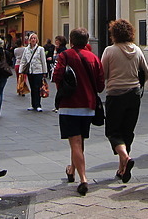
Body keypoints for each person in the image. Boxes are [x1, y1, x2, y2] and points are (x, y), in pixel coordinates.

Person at [52, 27, 105, 196]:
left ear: (71, 41)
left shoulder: (64, 56)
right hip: (88, 106)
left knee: (75, 142)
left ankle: (83, 179)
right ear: (87, 41)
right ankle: (71, 170)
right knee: (79, 141)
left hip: (69, 105)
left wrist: (63, 90)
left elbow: (57, 76)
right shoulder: (94, 58)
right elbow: (100, 85)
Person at [102, 19, 148, 183]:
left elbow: (103, 74)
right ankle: (122, 169)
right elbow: (147, 73)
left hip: (115, 95)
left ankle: (125, 158)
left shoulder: (110, 51)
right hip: (134, 95)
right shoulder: (137, 50)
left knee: (113, 132)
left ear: (114, 34)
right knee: (127, 132)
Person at [19, 33, 49, 111]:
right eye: (32, 38)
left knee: (38, 88)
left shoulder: (40, 49)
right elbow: (23, 60)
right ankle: (33, 104)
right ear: (29, 40)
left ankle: (38, 105)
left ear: (37, 40)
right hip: (30, 71)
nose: (33, 40)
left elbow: (43, 61)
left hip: (38, 71)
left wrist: (44, 72)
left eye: (34, 38)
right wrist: (21, 70)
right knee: (32, 88)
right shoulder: (26, 49)